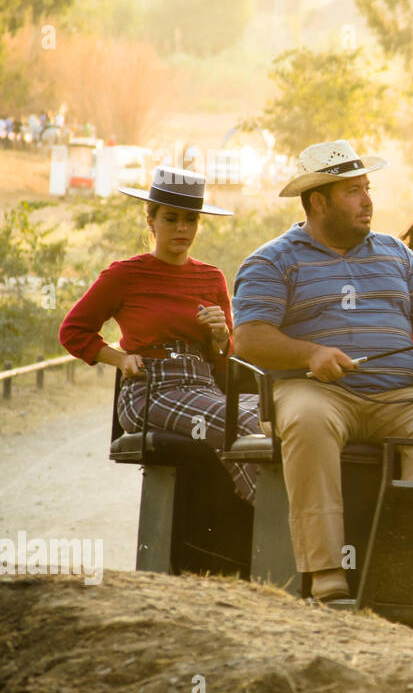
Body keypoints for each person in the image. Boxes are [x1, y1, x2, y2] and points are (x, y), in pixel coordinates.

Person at [231, 140, 413, 604]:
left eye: (367, 188)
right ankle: (326, 574)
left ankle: (408, 569)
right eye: (353, 192)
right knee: (307, 420)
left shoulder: (397, 255)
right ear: (319, 201)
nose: (367, 201)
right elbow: (250, 338)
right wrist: (309, 353)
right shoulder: (272, 260)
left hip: (396, 395)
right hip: (316, 393)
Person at [59, 167, 261, 503]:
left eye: (191, 220)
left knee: (273, 412)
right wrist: (121, 359)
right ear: (151, 221)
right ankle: (275, 518)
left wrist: (220, 337)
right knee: (237, 421)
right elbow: (73, 331)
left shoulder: (211, 278)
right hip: (150, 388)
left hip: (204, 385)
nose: (183, 228)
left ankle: (255, 522)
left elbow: (224, 363)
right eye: (171, 218)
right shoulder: (125, 275)